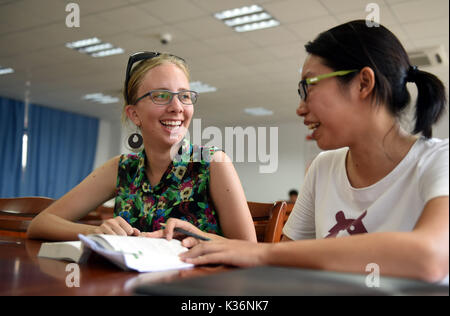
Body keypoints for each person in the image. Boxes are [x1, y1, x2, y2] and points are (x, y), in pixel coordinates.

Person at [175, 20, 449, 283]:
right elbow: (288, 263)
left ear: (363, 83)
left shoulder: (438, 160)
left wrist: (262, 252)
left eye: (309, 85)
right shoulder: (324, 167)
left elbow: (430, 256)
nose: (300, 108)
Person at [27, 52, 257, 243]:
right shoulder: (121, 168)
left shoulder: (213, 163)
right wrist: (94, 231)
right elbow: (40, 224)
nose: (177, 107)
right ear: (134, 114)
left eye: (184, 96)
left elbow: (249, 249)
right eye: (161, 96)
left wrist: (202, 238)